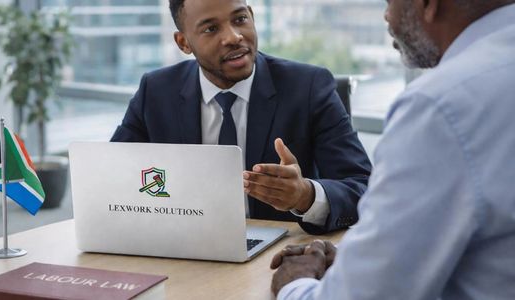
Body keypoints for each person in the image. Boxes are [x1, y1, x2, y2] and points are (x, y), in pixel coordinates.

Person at [270, 0, 515, 298]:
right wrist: (362, 259)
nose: (387, 16)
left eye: (389, 2)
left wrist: (294, 283)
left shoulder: (439, 106)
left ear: (428, 4)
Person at [110, 0, 372, 234]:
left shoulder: (309, 87)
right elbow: (112, 175)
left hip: (278, 258)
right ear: (184, 42)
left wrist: (305, 196)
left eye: (239, 19)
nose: (234, 37)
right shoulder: (155, 91)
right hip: (184, 249)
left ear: (252, 16)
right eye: (211, 29)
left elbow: (364, 189)